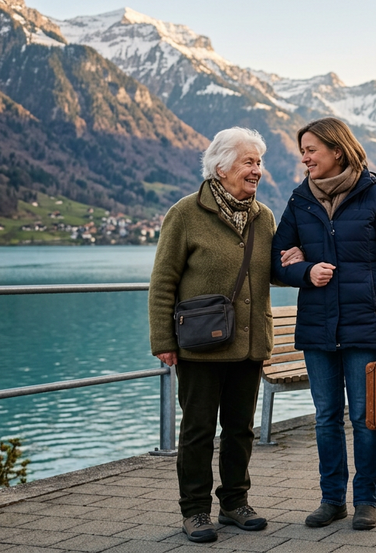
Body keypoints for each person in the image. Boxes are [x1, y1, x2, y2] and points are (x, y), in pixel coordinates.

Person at [272, 116, 376, 532]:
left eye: (312, 149)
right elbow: (275, 264)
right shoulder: (300, 201)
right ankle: (331, 499)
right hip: (317, 327)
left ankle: (365, 500)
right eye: (303, 150)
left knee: (365, 417)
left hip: (365, 325)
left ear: (337, 150)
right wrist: (306, 271)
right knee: (326, 415)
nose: (305, 157)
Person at [148, 127, 275, 543]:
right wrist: (163, 340)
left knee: (240, 430)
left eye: (259, 162)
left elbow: (269, 271)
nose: (257, 170)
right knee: (198, 430)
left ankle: (235, 504)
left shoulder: (265, 216)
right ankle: (195, 512)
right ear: (221, 168)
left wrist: (296, 261)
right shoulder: (185, 213)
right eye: (249, 162)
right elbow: (163, 280)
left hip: (249, 346)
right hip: (201, 345)